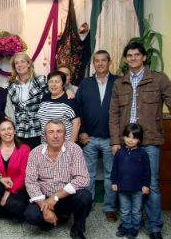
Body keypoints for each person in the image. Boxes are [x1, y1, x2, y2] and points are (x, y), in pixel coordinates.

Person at [109, 41, 171, 239]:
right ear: (126, 59)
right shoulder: (120, 83)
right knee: (125, 182)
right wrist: (115, 141)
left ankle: (154, 227)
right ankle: (128, 223)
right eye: (129, 55)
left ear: (144, 57)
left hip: (150, 140)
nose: (133, 58)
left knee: (151, 184)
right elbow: (114, 113)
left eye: (137, 55)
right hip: (125, 142)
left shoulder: (159, 79)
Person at [24, 119, 91, 239]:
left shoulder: (74, 149)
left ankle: (77, 229)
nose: (55, 136)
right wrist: (44, 207)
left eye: (59, 131)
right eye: (51, 132)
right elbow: (30, 182)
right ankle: (50, 220)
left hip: (66, 196)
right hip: (45, 197)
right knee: (30, 215)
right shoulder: (35, 153)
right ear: (45, 136)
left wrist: (55, 197)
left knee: (85, 196)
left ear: (65, 135)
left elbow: (83, 178)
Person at [75, 50, 119, 221]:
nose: (100, 64)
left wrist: (118, 138)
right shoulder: (85, 83)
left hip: (111, 139)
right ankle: (89, 203)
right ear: (93, 63)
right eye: (97, 61)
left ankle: (109, 207)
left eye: (103, 60)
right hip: (89, 137)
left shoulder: (119, 82)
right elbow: (77, 109)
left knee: (110, 174)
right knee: (88, 174)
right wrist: (82, 131)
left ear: (109, 62)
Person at [0, 118, 30, 228]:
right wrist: (1, 183)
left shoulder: (25, 149)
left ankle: (9, 209)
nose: (7, 132)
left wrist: (8, 192)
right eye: (3, 130)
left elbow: (24, 174)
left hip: (18, 187)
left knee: (15, 205)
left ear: (15, 131)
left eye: (10, 129)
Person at [111, 123, 150, 239]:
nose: (130, 140)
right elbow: (115, 169)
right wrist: (114, 182)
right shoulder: (119, 153)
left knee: (137, 210)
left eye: (134, 138)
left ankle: (134, 228)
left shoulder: (143, 154)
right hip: (122, 188)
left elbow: (147, 171)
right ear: (123, 137)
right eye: (128, 137)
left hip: (138, 189)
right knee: (124, 209)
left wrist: (146, 185)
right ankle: (126, 226)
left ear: (139, 139)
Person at [7, 52, 49, 149]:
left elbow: (53, 95)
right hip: (18, 127)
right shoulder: (10, 84)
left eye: (22, 61)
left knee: (36, 157)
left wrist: (68, 90)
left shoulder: (40, 80)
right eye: (17, 63)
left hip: (37, 125)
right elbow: (6, 105)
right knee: (20, 158)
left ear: (29, 64)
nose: (20, 65)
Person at [37, 71, 80, 143]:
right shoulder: (45, 98)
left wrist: (71, 145)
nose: (53, 84)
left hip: (64, 145)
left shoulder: (69, 100)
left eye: (57, 82)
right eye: (51, 81)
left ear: (63, 84)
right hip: (45, 144)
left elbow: (77, 123)